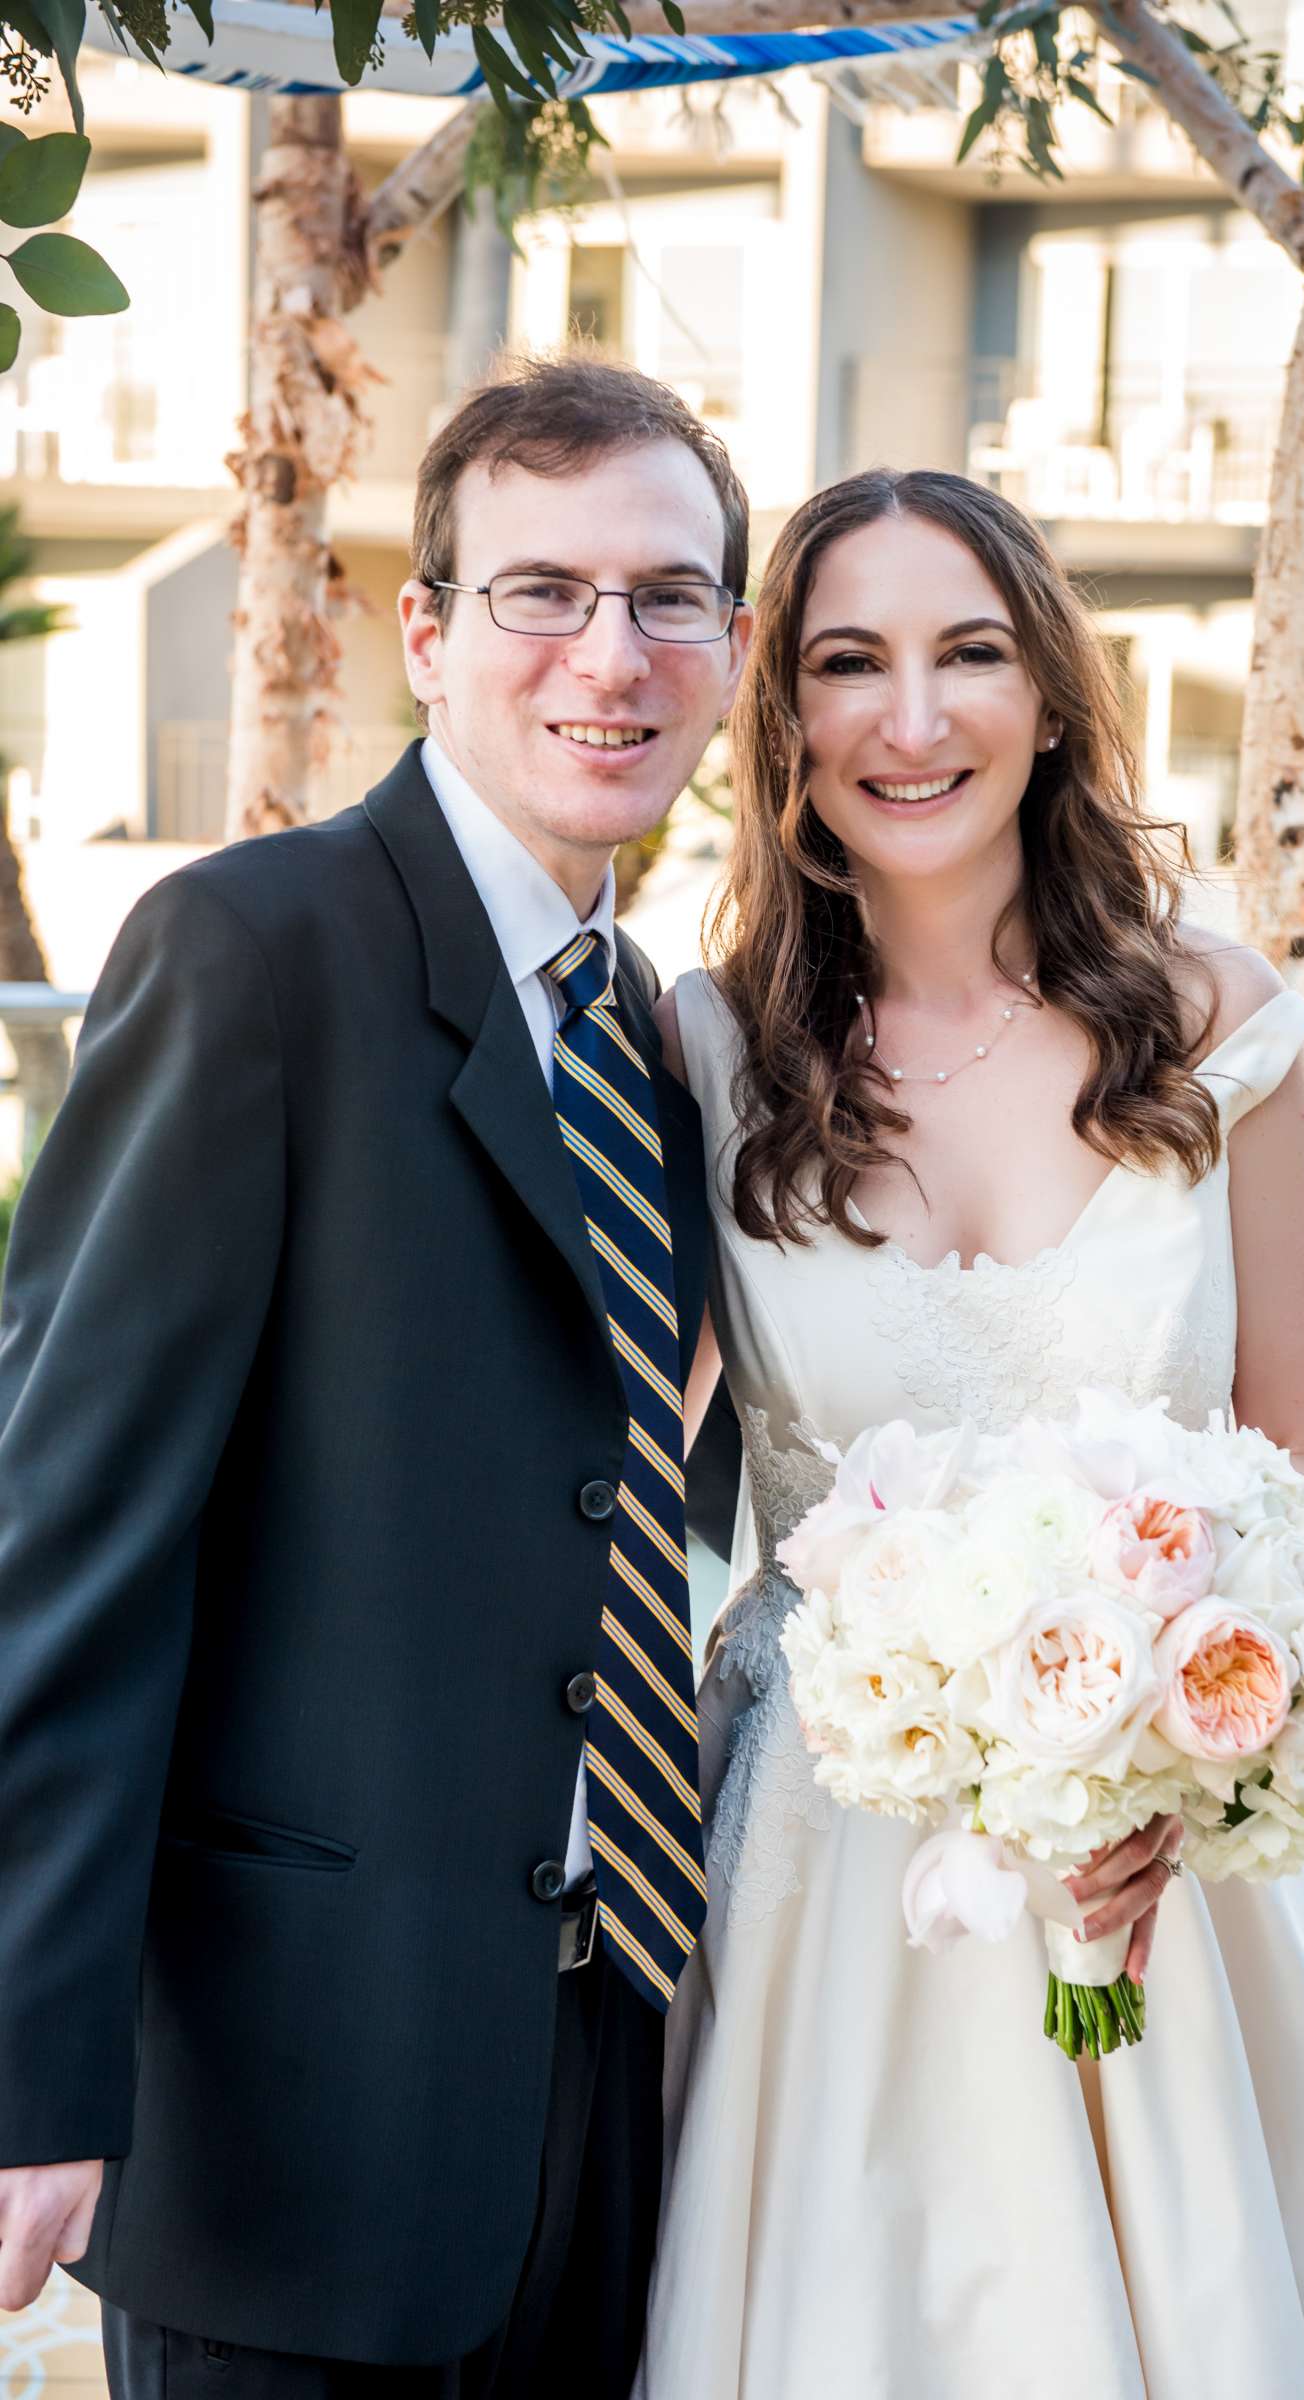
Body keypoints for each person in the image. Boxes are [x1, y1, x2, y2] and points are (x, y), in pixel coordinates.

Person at [637, 467, 1304, 2397]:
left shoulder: (1215, 1020)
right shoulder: (707, 1051)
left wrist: (1171, 1723)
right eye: (849, 663)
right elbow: (631, 1452)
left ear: (1051, 696)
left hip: (1175, 1865)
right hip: (840, 1868)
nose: (913, 721)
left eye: (968, 653)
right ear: (782, 720)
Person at [0, 354, 749, 2398]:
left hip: (605, 2067)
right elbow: (68, 1544)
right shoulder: (252, 953)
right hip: (295, 2105)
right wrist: (26, 2071)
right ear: (426, 634)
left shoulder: (665, 1041)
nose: (610, 654)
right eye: (541, 592)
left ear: (732, 649)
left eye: (670, 596)